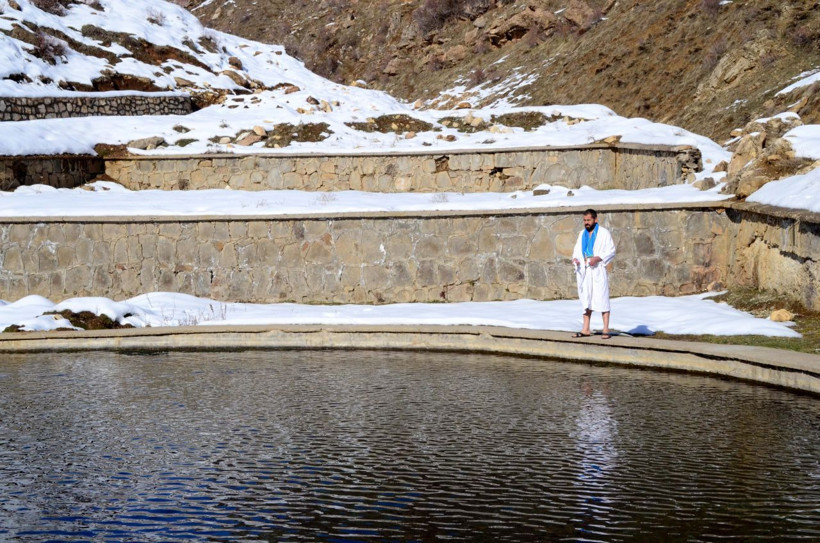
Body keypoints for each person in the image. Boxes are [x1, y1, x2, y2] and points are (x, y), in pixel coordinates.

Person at [571, 209, 616, 339]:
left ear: (595, 220)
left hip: (597, 269)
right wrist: (576, 259)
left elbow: (611, 250)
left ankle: (606, 329)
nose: (586, 223)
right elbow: (576, 251)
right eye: (584, 220)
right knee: (586, 299)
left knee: (602, 297)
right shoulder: (581, 234)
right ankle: (585, 329)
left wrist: (597, 258)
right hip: (585, 270)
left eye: (588, 220)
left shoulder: (604, 233)